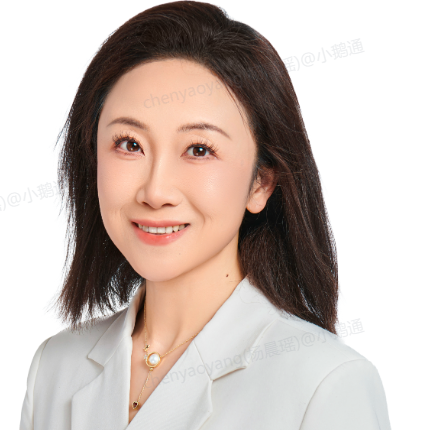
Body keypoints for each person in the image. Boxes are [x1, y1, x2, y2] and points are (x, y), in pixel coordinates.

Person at [19, 2, 391, 429]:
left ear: (261, 183)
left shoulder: (326, 384)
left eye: (199, 149)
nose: (155, 191)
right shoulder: (55, 367)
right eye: (129, 144)